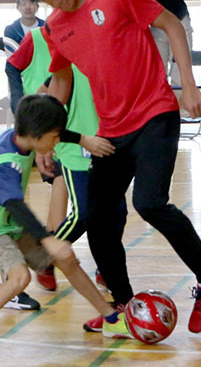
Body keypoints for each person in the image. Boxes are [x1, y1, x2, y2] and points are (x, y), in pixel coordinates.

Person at [17, 0, 201, 335]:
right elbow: (61, 79)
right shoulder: (54, 27)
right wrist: (46, 139)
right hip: (111, 129)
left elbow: (171, 24)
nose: (53, 4)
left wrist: (188, 85)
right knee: (97, 216)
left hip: (154, 112)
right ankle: (121, 304)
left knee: (149, 203)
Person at [0, 95, 131, 360]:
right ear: (37, 135)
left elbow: (52, 132)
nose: (56, 142)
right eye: (53, 138)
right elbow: (15, 206)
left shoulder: (20, 136)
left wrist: (82, 139)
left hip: (4, 220)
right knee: (20, 278)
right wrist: (47, 239)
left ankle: (111, 318)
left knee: (68, 260)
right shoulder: (5, 166)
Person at [10, 30, 120, 291]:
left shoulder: (116, 59)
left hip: (109, 146)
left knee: (116, 215)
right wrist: (43, 145)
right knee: (83, 212)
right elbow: (43, 94)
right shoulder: (70, 59)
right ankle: (46, 254)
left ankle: (109, 267)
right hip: (75, 148)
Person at [135, 0, 193, 87]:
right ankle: (161, 93)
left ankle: (180, 95)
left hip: (180, 25)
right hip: (158, 29)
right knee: (158, 63)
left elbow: (178, 22)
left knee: (178, 63)